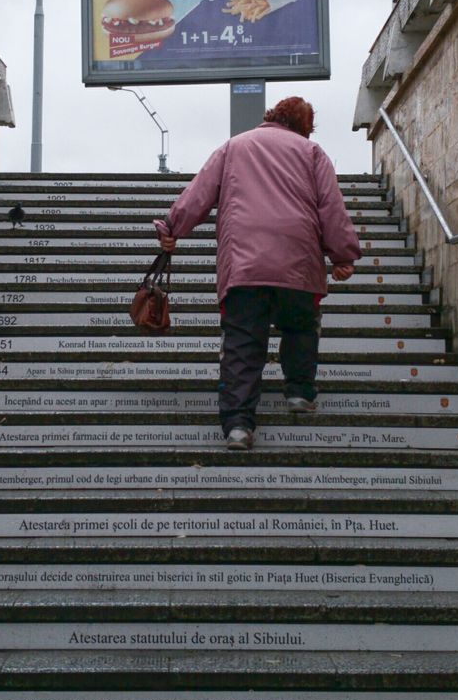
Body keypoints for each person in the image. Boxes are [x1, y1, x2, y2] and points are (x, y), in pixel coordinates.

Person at [154, 96, 361, 449]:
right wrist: (343, 255)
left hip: (245, 265)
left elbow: (199, 192)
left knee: (242, 343)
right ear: (304, 127)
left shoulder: (234, 147)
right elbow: (331, 207)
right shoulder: (312, 153)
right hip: (299, 263)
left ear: (272, 117)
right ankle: (299, 393)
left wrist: (172, 227)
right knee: (301, 325)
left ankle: (238, 425)